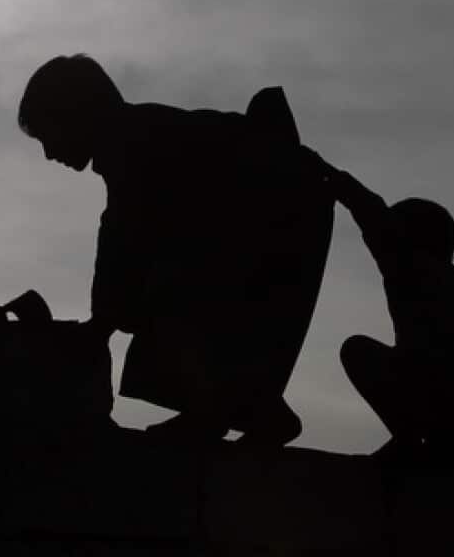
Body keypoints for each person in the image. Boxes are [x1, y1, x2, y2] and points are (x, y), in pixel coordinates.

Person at [17, 54, 334, 445]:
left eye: (48, 135)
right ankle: (253, 409)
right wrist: (105, 320)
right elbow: (122, 238)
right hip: (280, 211)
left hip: (274, 213)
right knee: (166, 300)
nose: (49, 153)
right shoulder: (135, 137)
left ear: (74, 114)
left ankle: (219, 411)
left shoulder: (135, 142)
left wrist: (101, 325)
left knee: (171, 296)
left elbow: (125, 240)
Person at [314, 153, 454, 466]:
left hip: (442, 393)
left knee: (357, 350)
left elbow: (372, 212)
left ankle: (412, 441)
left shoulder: (409, 267)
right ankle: (442, 448)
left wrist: (330, 177)